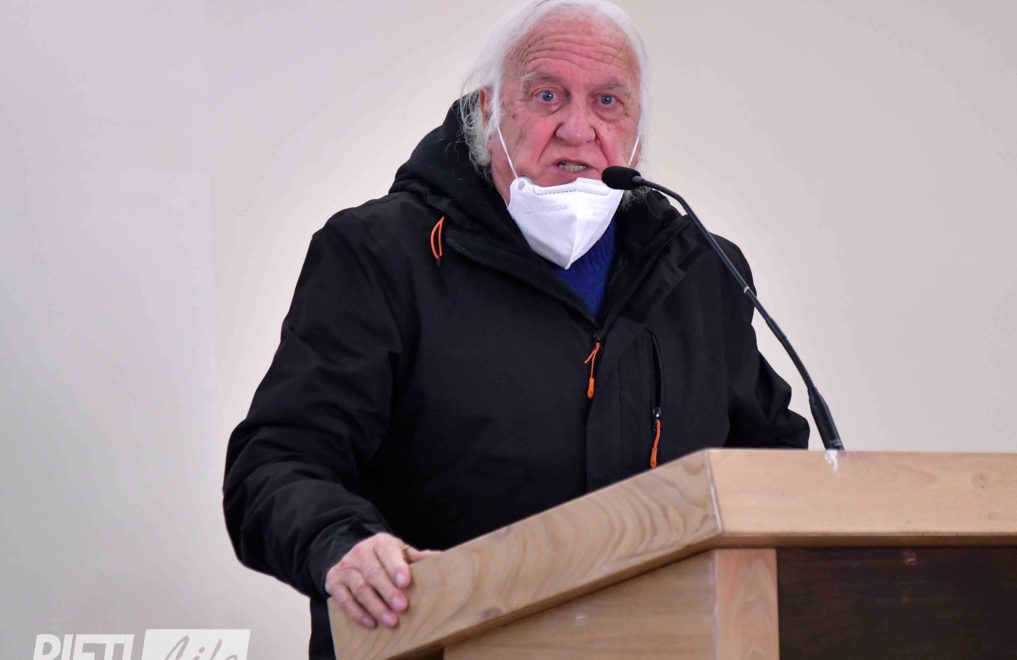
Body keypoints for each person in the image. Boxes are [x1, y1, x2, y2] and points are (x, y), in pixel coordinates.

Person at [222, 0, 808, 657]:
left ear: (638, 133)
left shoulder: (701, 272)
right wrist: (342, 544)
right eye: (547, 95)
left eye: (608, 101)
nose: (578, 129)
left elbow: (772, 471)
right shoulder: (380, 255)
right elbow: (277, 463)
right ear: (489, 112)